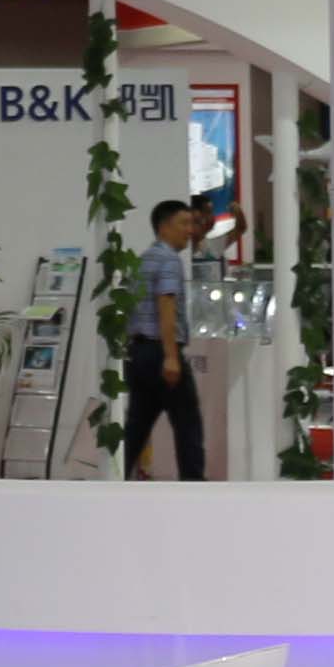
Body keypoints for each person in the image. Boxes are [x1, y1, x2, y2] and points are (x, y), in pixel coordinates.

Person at [119, 194, 212, 481]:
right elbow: (166, 305)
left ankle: (115, 476)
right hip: (161, 352)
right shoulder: (170, 260)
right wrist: (171, 357)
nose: (190, 230)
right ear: (163, 227)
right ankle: (193, 484)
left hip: (138, 353)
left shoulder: (143, 260)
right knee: (187, 423)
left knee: (136, 425)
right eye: (183, 223)